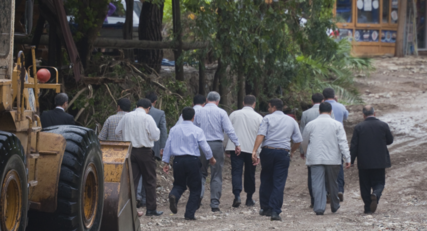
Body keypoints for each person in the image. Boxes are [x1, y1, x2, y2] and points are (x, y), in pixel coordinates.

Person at [251, 98, 302, 221]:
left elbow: (261, 135)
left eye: (269, 107)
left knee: (266, 178)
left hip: (268, 151)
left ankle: (266, 207)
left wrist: (254, 151)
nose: (268, 109)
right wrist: (292, 150)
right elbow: (298, 140)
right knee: (279, 182)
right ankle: (275, 211)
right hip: (283, 153)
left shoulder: (267, 118)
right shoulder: (291, 120)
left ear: (273, 107)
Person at [162, 107, 216, 220]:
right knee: (195, 188)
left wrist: (166, 162)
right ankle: (189, 214)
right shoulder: (197, 130)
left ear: (182, 116)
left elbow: (168, 146)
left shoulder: (174, 129)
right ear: (193, 117)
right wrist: (210, 158)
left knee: (179, 184)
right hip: (192, 161)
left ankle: (174, 196)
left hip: (178, 160)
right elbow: (205, 146)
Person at [194, 91, 241, 213]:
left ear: (206, 99)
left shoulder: (198, 112)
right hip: (216, 145)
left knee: (201, 172)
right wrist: (237, 143)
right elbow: (229, 130)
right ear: (218, 101)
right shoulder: (221, 112)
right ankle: (214, 203)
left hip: (202, 145)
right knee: (216, 174)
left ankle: (198, 197)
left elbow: (194, 129)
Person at [301, 102, 351, 215]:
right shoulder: (337, 125)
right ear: (331, 111)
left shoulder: (311, 124)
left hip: (315, 158)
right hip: (333, 159)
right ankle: (334, 205)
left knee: (317, 183)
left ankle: (319, 207)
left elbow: (304, 141)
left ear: (319, 111)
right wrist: (347, 158)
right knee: (333, 183)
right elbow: (343, 142)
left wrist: (305, 152)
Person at [115, 98, 163, 217]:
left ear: (136, 105)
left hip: (130, 151)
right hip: (145, 151)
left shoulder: (126, 117)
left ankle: (129, 210)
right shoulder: (147, 118)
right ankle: (151, 209)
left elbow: (117, 132)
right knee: (150, 180)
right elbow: (156, 136)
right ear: (148, 108)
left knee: (132, 180)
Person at [350, 105, 393, 214]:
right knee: (379, 182)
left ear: (363, 115)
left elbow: (354, 146)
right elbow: (390, 140)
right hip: (380, 161)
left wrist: (350, 160)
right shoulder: (383, 125)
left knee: (365, 184)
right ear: (375, 113)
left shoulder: (359, 127)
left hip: (364, 162)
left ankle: (368, 208)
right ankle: (376, 194)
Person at [225, 95, 262, 208]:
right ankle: (249, 198)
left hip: (236, 147)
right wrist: (258, 153)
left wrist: (226, 147)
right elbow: (261, 135)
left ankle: (237, 195)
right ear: (254, 104)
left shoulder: (234, 114)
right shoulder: (259, 117)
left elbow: (227, 130)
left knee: (236, 171)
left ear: (243, 103)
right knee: (250, 173)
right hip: (252, 149)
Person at [299, 93, 334, 208]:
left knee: (313, 176)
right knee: (327, 173)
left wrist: (302, 150)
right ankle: (326, 195)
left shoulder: (305, 114)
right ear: (323, 100)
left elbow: (303, 134)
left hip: (312, 149)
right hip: (327, 147)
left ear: (312, 100)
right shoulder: (330, 113)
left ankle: (314, 200)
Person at [136, 92, 167, 208]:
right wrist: (163, 147)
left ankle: (137, 196)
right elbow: (163, 131)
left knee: (137, 173)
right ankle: (144, 199)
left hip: (135, 147)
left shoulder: (132, 114)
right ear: (154, 102)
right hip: (151, 148)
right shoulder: (159, 113)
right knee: (148, 174)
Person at [323, 87, 349, 201]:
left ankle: (328, 191)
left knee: (324, 164)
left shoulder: (321, 107)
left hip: (324, 138)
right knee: (338, 164)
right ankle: (339, 189)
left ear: (323, 97)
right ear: (334, 96)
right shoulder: (341, 106)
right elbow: (346, 117)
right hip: (338, 137)